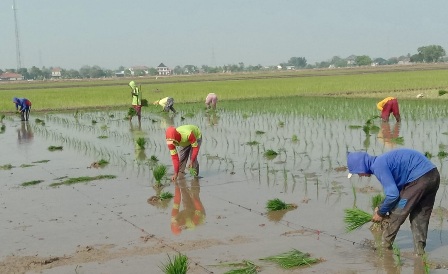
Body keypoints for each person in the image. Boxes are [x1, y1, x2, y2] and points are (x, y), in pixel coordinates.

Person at [347, 148, 440, 256]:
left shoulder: (378, 166)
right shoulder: (382, 161)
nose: (359, 175)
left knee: (398, 212)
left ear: (361, 166)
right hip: (433, 175)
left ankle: (384, 247)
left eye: (358, 172)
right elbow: (399, 191)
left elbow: (393, 195)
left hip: (419, 180)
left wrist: (380, 212)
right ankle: (419, 253)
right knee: (420, 217)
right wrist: (381, 205)